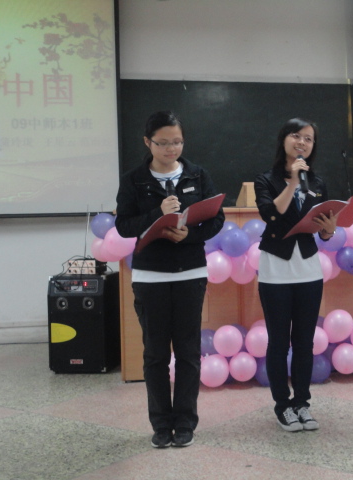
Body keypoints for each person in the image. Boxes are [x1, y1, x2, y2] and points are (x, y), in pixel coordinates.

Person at [115, 111, 224, 448]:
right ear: (147, 143)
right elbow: (124, 226)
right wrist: (157, 215)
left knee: (189, 352)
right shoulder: (134, 180)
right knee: (156, 354)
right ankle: (161, 424)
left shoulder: (198, 175)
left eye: (177, 142)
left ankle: (186, 422)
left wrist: (189, 234)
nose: (171, 149)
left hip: (191, 272)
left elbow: (216, 219)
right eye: (163, 143)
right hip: (150, 275)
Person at [254, 118, 337, 432]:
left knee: (304, 342)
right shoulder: (266, 179)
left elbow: (322, 227)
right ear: (284, 139)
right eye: (296, 136)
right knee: (278, 342)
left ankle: (302, 403)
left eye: (309, 139)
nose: (302, 142)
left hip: (308, 268)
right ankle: (282, 406)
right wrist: (291, 182)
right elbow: (272, 215)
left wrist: (329, 231)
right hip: (275, 267)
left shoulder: (317, 182)